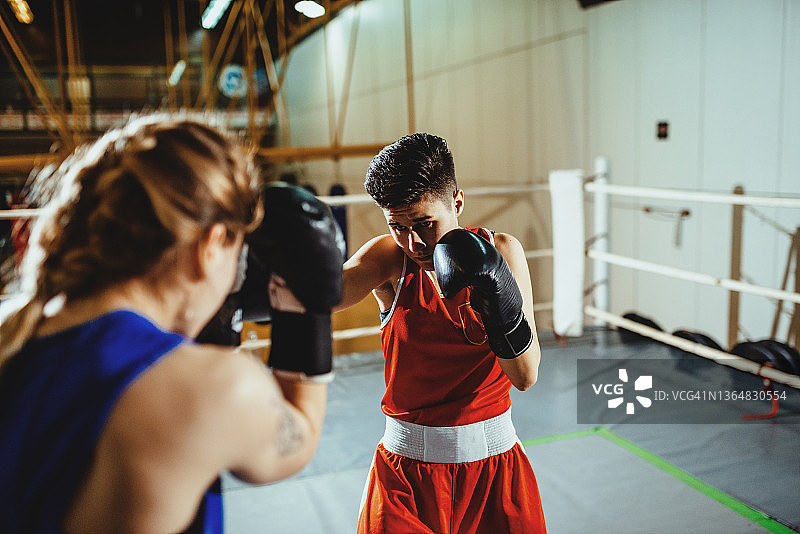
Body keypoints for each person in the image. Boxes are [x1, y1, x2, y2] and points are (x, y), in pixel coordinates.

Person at [0, 113, 343, 534]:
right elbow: (298, 440)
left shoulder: (12, 334)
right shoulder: (215, 387)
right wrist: (306, 303)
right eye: (237, 250)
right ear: (213, 244)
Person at [337, 133, 547, 533]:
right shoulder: (390, 259)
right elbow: (320, 297)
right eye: (396, 225)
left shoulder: (502, 252)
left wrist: (496, 294)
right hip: (406, 478)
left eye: (424, 223)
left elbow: (525, 376)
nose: (413, 241)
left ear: (457, 202)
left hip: (494, 472)